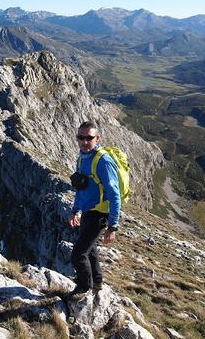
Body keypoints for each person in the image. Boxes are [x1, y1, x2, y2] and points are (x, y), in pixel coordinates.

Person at [68, 121, 120, 299]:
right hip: (88, 211)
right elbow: (81, 187)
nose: (84, 141)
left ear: (97, 138)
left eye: (89, 138)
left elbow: (114, 194)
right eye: (80, 137)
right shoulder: (82, 157)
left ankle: (84, 287)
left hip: (100, 215)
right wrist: (75, 210)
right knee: (90, 250)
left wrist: (113, 226)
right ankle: (96, 281)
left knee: (78, 255)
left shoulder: (103, 161)